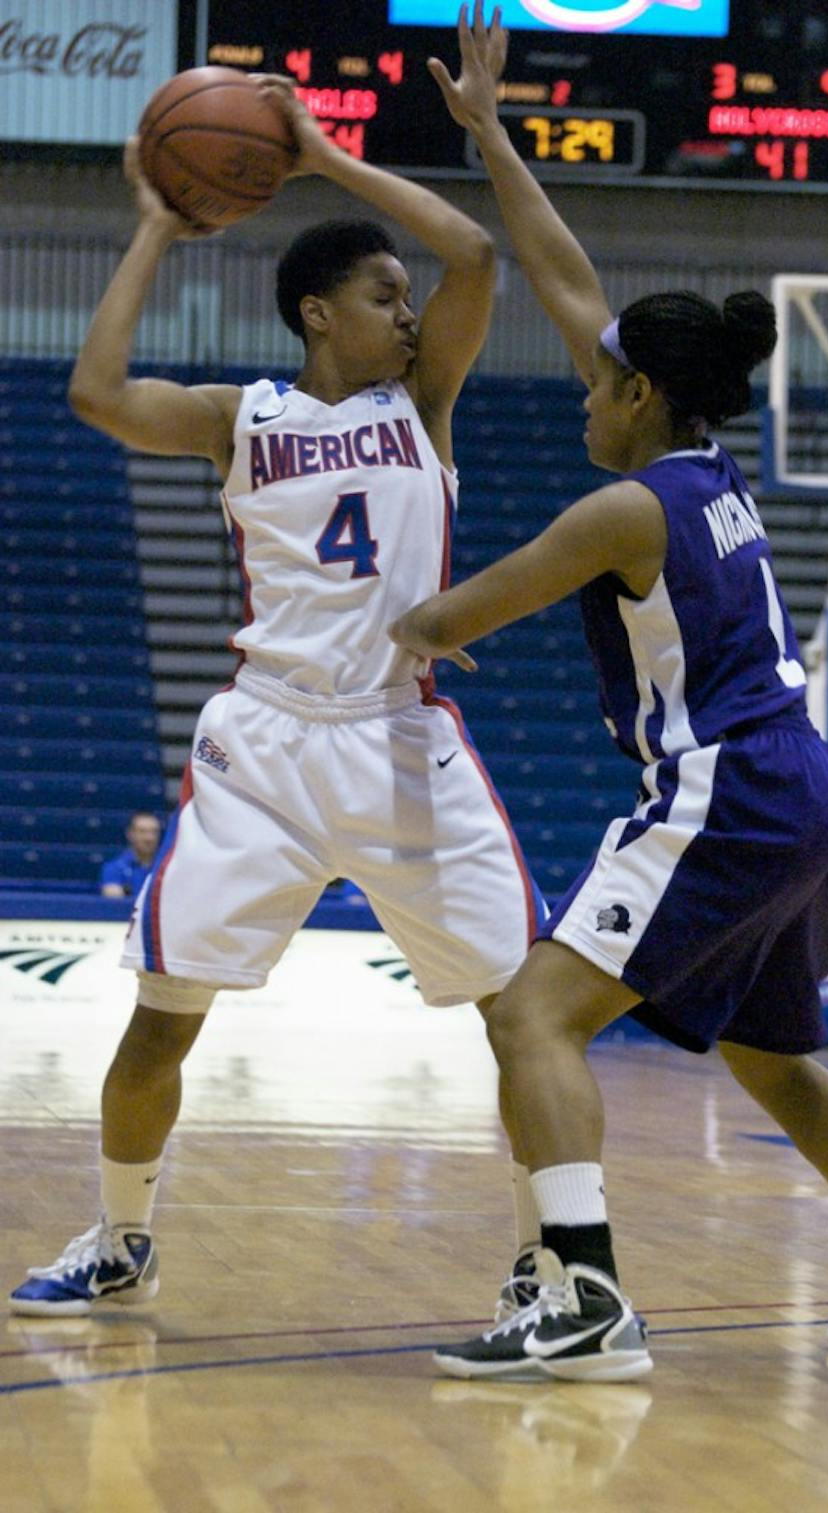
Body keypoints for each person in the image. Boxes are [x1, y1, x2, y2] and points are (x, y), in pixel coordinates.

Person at [386, 3, 828, 1380]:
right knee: (774, 1059)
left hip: (728, 787)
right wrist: (488, 133)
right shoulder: (709, 471)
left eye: (601, 380)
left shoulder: (620, 509)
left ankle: (585, 1298)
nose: (581, 391)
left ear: (643, 390)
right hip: (818, 791)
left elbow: (448, 612)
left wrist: (395, 594)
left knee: (531, 1014)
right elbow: (561, 269)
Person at [9, 70, 545, 1317]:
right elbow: (95, 394)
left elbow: (470, 250)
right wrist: (156, 223)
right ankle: (121, 1233)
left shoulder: (427, 404)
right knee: (162, 1015)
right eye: (380, 294)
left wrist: (318, 154)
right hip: (267, 743)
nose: (407, 312)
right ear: (317, 312)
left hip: (400, 735)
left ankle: (548, 1250)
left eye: (406, 299)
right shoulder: (236, 419)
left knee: (521, 1012)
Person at [99, 811, 162, 898]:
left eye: (154, 832)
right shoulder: (114, 868)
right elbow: (113, 900)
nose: (149, 838)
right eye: (142, 832)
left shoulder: (167, 867)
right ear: (130, 834)